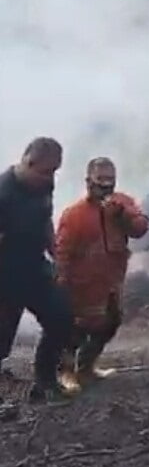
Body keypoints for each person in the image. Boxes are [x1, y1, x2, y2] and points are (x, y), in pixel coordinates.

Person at [55, 157, 149, 388]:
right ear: (88, 181)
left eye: (110, 180)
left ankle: (87, 367)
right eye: (101, 180)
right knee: (75, 330)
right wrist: (61, 282)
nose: (106, 185)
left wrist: (124, 215)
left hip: (111, 281)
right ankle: (66, 372)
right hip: (82, 283)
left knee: (110, 323)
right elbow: (62, 252)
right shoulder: (74, 214)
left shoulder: (124, 203)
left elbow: (140, 229)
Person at [0, 138, 73, 401]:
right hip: (5, 275)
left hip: (34, 268)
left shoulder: (44, 185)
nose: (51, 178)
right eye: (46, 171)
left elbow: (44, 219)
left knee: (61, 316)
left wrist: (56, 254)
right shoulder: (4, 193)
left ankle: (45, 382)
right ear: (28, 162)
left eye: (55, 171)